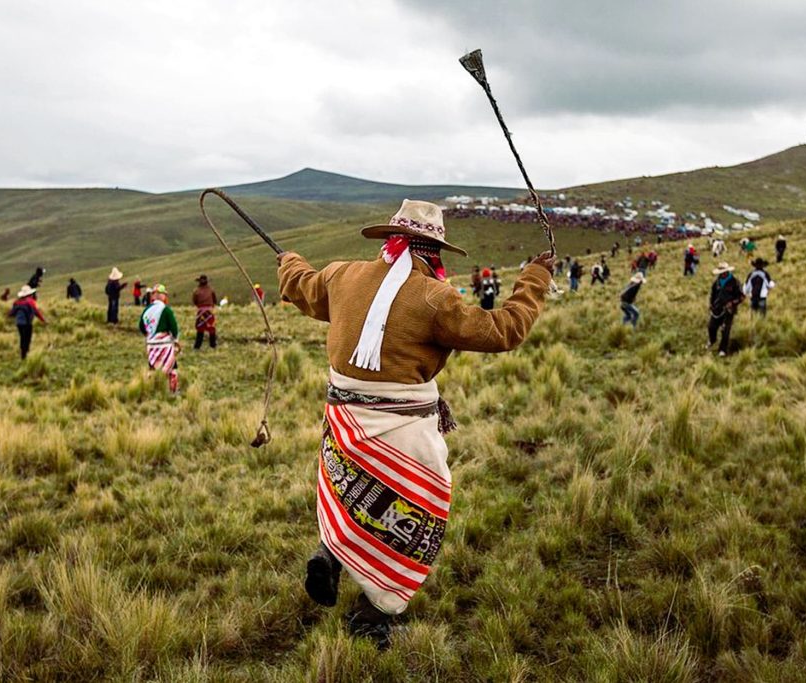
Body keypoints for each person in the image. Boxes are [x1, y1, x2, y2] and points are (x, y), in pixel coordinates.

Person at [276, 199, 552, 649]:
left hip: (345, 421)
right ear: (434, 251)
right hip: (403, 428)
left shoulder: (342, 275)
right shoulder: (437, 299)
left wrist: (288, 261)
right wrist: (535, 279)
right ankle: (374, 614)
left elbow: (303, 285)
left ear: (389, 240)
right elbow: (504, 330)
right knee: (417, 511)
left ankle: (332, 554)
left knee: (349, 492)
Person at [140, 284, 181, 393]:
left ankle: (150, 388)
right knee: (172, 366)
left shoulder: (146, 311)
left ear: (153, 296)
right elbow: (174, 327)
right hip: (165, 344)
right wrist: (176, 340)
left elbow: (141, 327)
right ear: (162, 296)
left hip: (151, 344)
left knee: (152, 366)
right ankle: (172, 389)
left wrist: (150, 336)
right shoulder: (166, 310)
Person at [707, 263, 745, 357]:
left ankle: (723, 349)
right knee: (711, 326)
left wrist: (732, 303)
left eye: (724, 272)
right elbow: (713, 295)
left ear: (727, 272)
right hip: (717, 309)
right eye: (721, 272)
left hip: (729, 310)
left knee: (725, 329)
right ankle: (712, 340)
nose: (722, 274)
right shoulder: (716, 283)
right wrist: (711, 304)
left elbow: (742, 296)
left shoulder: (735, 282)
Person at [9, 285, 46, 360]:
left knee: (22, 338)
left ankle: (23, 354)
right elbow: (36, 312)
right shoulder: (30, 301)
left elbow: (11, 313)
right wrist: (43, 320)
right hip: (27, 323)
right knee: (27, 338)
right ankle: (25, 354)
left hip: (19, 323)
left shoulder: (17, 302)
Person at [192, 274, 218, 349]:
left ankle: (197, 346)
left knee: (200, 329)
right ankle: (213, 345)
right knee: (211, 329)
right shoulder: (211, 290)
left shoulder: (196, 291)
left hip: (201, 312)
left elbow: (195, 301)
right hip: (210, 311)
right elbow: (215, 300)